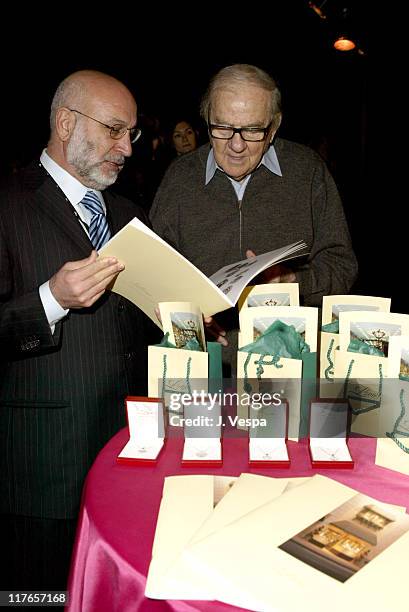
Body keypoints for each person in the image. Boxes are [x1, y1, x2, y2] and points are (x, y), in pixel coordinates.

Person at [0, 70, 158, 592]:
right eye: (115, 129)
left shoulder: (131, 215)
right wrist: (50, 300)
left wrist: (185, 319)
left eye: (131, 134)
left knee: (104, 595)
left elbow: (134, 329)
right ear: (66, 123)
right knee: (37, 596)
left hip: (124, 453)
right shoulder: (7, 203)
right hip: (41, 465)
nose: (127, 148)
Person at [150, 63, 358, 374]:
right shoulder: (180, 178)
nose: (236, 145)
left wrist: (293, 282)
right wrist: (183, 308)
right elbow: (154, 270)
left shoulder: (308, 172)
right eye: (221, 127)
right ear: (206, 121)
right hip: (201, 369)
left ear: (273, 128)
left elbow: (342, 266)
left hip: (288, 369)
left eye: (252, 130)